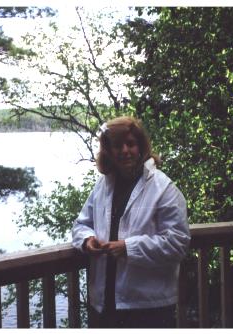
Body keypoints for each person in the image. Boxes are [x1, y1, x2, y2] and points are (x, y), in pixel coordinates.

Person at [72, 116, 191, 328]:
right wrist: (87, 240)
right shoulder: (103, 186)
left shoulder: (163, 188)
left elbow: (177, 243)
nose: (125, 150)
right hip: (105, 305)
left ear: (141, 146)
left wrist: (129, 248)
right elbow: (81, 224)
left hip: (149, 308)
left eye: (131, 144)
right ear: (109, 150)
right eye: (118, 145)